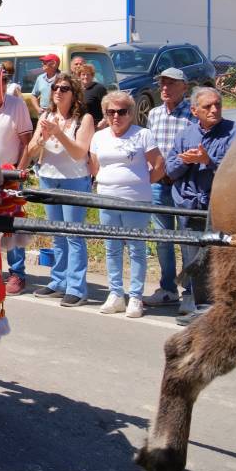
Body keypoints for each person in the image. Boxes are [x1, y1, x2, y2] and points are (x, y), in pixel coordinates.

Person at [19, 71, 95, 306]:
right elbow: (31, 151)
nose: (58, 92)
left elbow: (79, 153)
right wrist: (41, 139)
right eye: (55, 88)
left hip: (74, 180)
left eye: (64, 88)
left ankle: (76, 288)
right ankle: (58, 282)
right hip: (48, 179)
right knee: (57, 235)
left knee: (74, 235)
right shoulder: (46, 115)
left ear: (74, 93)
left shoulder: (84, 119)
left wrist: (59, 133)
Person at [166, 87, 236, 308]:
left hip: (219, 209)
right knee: (191, 254)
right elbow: (170, 171)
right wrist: (185, 160)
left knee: (218, 256)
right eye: (207, 106)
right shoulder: (185, 135)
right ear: (194, 111)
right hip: (189, 206)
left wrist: (207, 161)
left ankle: (216, 305)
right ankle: (191, 300)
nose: (214, 110)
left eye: (217, 105)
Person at [89, 91, 165, 318]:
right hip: (107, 199)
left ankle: (135, 297)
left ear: (131, 113)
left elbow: (159, 166)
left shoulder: (143, 134)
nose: (116, 116)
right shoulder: (99, 137)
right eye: (111, 112)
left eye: (122, 112)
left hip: (136, 201)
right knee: (111, 248)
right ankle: (115, 294)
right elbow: (95, 167)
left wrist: (140, 183)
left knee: (136, 248)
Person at [142, 68, 199, 313]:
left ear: (184, 87)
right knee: (162, 239)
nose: (165, 88)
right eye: (162, 83)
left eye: (171, 83)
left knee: (187, 240)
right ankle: (167, 288)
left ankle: (190, 292)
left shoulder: (192, 114)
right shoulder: (154, 114)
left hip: (184, 184)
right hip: (158, 184)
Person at [0, 80, 33, 294]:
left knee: (12, 223)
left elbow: (27, 141)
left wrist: (18, 172)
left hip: (9, 171)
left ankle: (17, 273)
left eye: (1, 81)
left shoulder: (17, 104)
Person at [77, 62, 107, 126]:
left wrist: (104, 121)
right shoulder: (77, 89)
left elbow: (107, 106)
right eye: (83, 74)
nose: (86, 77)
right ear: (79, 76)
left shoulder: (99, 88)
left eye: (88, 74)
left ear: (92, 76)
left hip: (96, 124)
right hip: (80, 124)